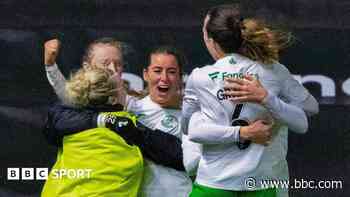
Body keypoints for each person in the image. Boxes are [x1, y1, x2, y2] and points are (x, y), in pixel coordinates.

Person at [182, 4, 318, 197]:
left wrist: (266, 100)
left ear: (210, 40)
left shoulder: (200, 77)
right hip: (259, 183)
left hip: (215, 183)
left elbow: (188, 128)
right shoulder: (273, 70)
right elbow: (309, 111)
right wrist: (249, 126)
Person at [41, 67, 143, 197]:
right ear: (113, 99)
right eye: (123, 87)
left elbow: (55, 118)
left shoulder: (66, 123)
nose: (127, 92)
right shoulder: (130, 125)